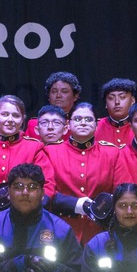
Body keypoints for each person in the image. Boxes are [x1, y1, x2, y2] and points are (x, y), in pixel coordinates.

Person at [49, 104, 121, 242]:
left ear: (96, 124)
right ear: (68, 124)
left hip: (100, 231)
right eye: (77, 119)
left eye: (88, 119)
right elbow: (47, 193)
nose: (83, 122)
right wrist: (75, 204)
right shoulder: (51, 152)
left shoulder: (112, 153)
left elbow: (119, 192)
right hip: (61, 228)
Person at [0, 96, 54, 199]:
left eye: (15, 115)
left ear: (22, 119)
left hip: (28, 209)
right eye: (4, 114)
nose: (10, 120)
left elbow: (47, 183)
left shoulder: (34, 148)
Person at [95, 78, 137, 147]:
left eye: (122, 97)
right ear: (106, 104)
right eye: (111, 98)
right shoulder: (95, 127)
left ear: (132, 101)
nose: (117, 102)